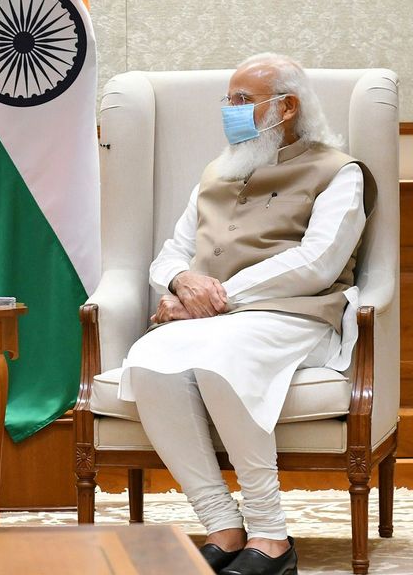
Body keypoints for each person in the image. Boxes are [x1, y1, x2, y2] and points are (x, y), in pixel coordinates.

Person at [117, 53, 375, 575]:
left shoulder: (339, 171)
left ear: (287, 108)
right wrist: (182, 282)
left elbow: (318, 263)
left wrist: (219, 297)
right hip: (214, 319)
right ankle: (222, 526)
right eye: (227, 100)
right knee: (146, 361)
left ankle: (271, 538)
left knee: (220, 358)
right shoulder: (219, 171)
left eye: (242, 101)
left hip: (295, 317)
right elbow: (173, 250)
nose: (229, 111)